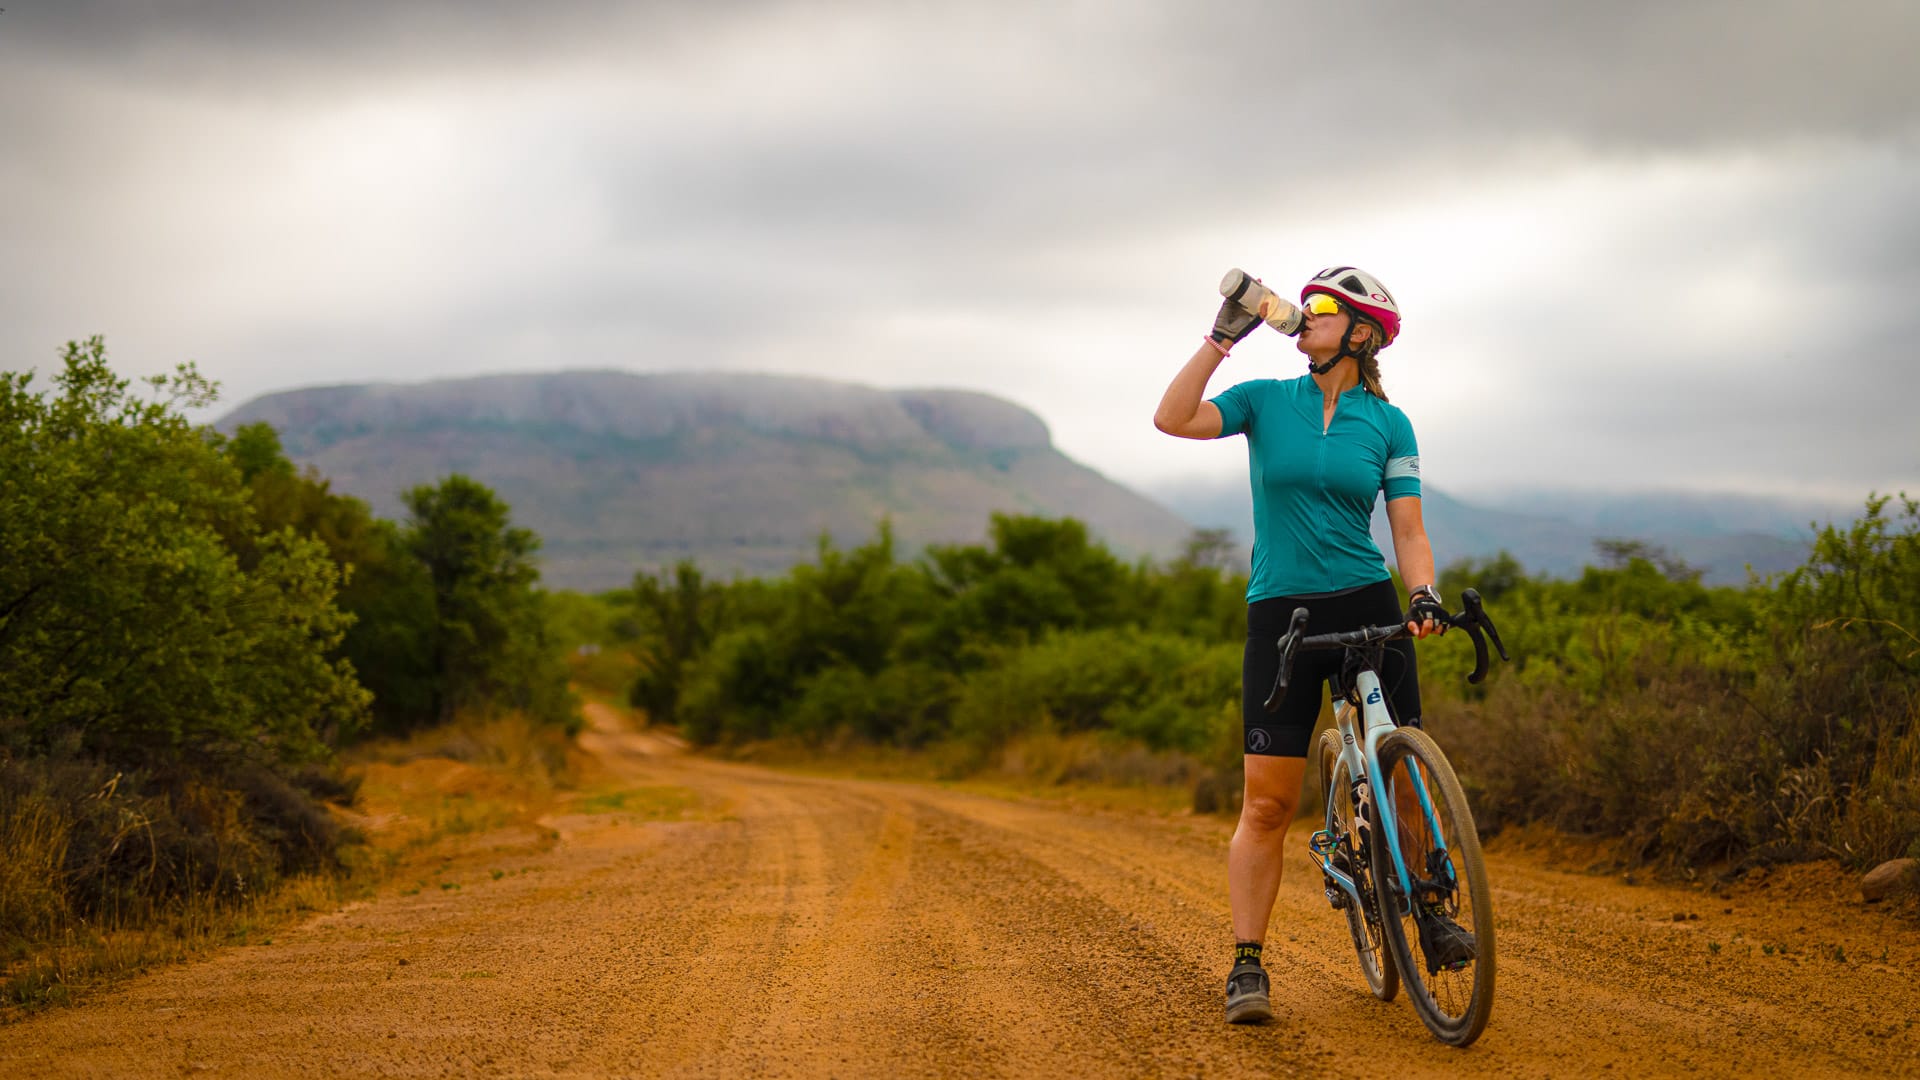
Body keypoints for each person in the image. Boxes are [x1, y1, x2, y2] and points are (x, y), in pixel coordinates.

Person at [1152, 265, 1454, 1024]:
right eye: (1306, 306)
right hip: (1281, 613)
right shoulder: (1264, 400)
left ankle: (1429, 909)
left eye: (1321, 308)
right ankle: (1247, 964)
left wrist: (1423, 595)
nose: (1304, 317)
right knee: (1267, 805)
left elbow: (1407, 530)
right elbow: (1172, 419)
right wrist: (1221, 339)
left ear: (1360, 333)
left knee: (1403, 772)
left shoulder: (1389, 423)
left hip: (1364, 600)